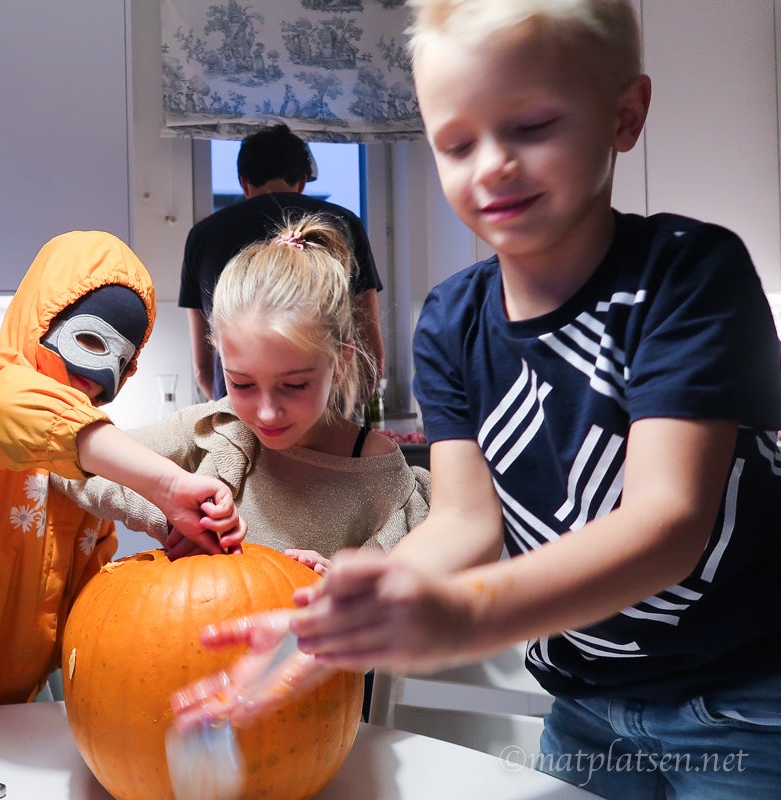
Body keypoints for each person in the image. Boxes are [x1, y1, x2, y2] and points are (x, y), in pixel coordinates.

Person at [173, 0, 781, 796]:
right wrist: (357, 602)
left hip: (740, 698)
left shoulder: (687, 274)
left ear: (625, 115)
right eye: (457, 143)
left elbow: (666, 524)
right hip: (585, 701)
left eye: (532, 126)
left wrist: (465, 615)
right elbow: (465, 520)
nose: (491, 164)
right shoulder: (451, 320)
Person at [0, 230, 245, 716]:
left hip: (26, 694)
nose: (101, 375)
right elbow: (25, 413)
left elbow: (92, 564)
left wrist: (169, 523)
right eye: (91, 340)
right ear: (44, 321)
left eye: (122, 360)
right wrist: (171, 484)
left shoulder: (95, 449)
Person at [57, 214, 429, 566]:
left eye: (294, 385)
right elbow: (63, 458)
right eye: (242, 383)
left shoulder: (382, 477)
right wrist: (172, 509)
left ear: (341, 361)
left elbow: (404, 592)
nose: (266, 412)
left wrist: (341, 587)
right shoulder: (215, 426)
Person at [179, 123, 385, 401]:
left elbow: (203, 369)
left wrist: (229, 406)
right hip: (324, 413)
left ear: (244, 182)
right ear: (302, 181)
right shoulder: (343, 223)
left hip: (237, 414)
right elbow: (371, 354)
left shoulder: (203, 235)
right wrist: (345, 413)